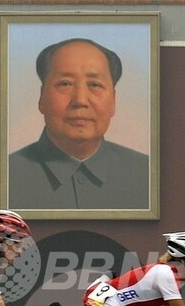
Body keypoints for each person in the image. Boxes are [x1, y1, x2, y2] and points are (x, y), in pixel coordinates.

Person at [8, 38, 149, 210]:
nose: (80, 100)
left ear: (113, 100)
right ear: (42, 97)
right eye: (65, 84)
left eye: (95, 85)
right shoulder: (6, 176)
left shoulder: (147, 175)